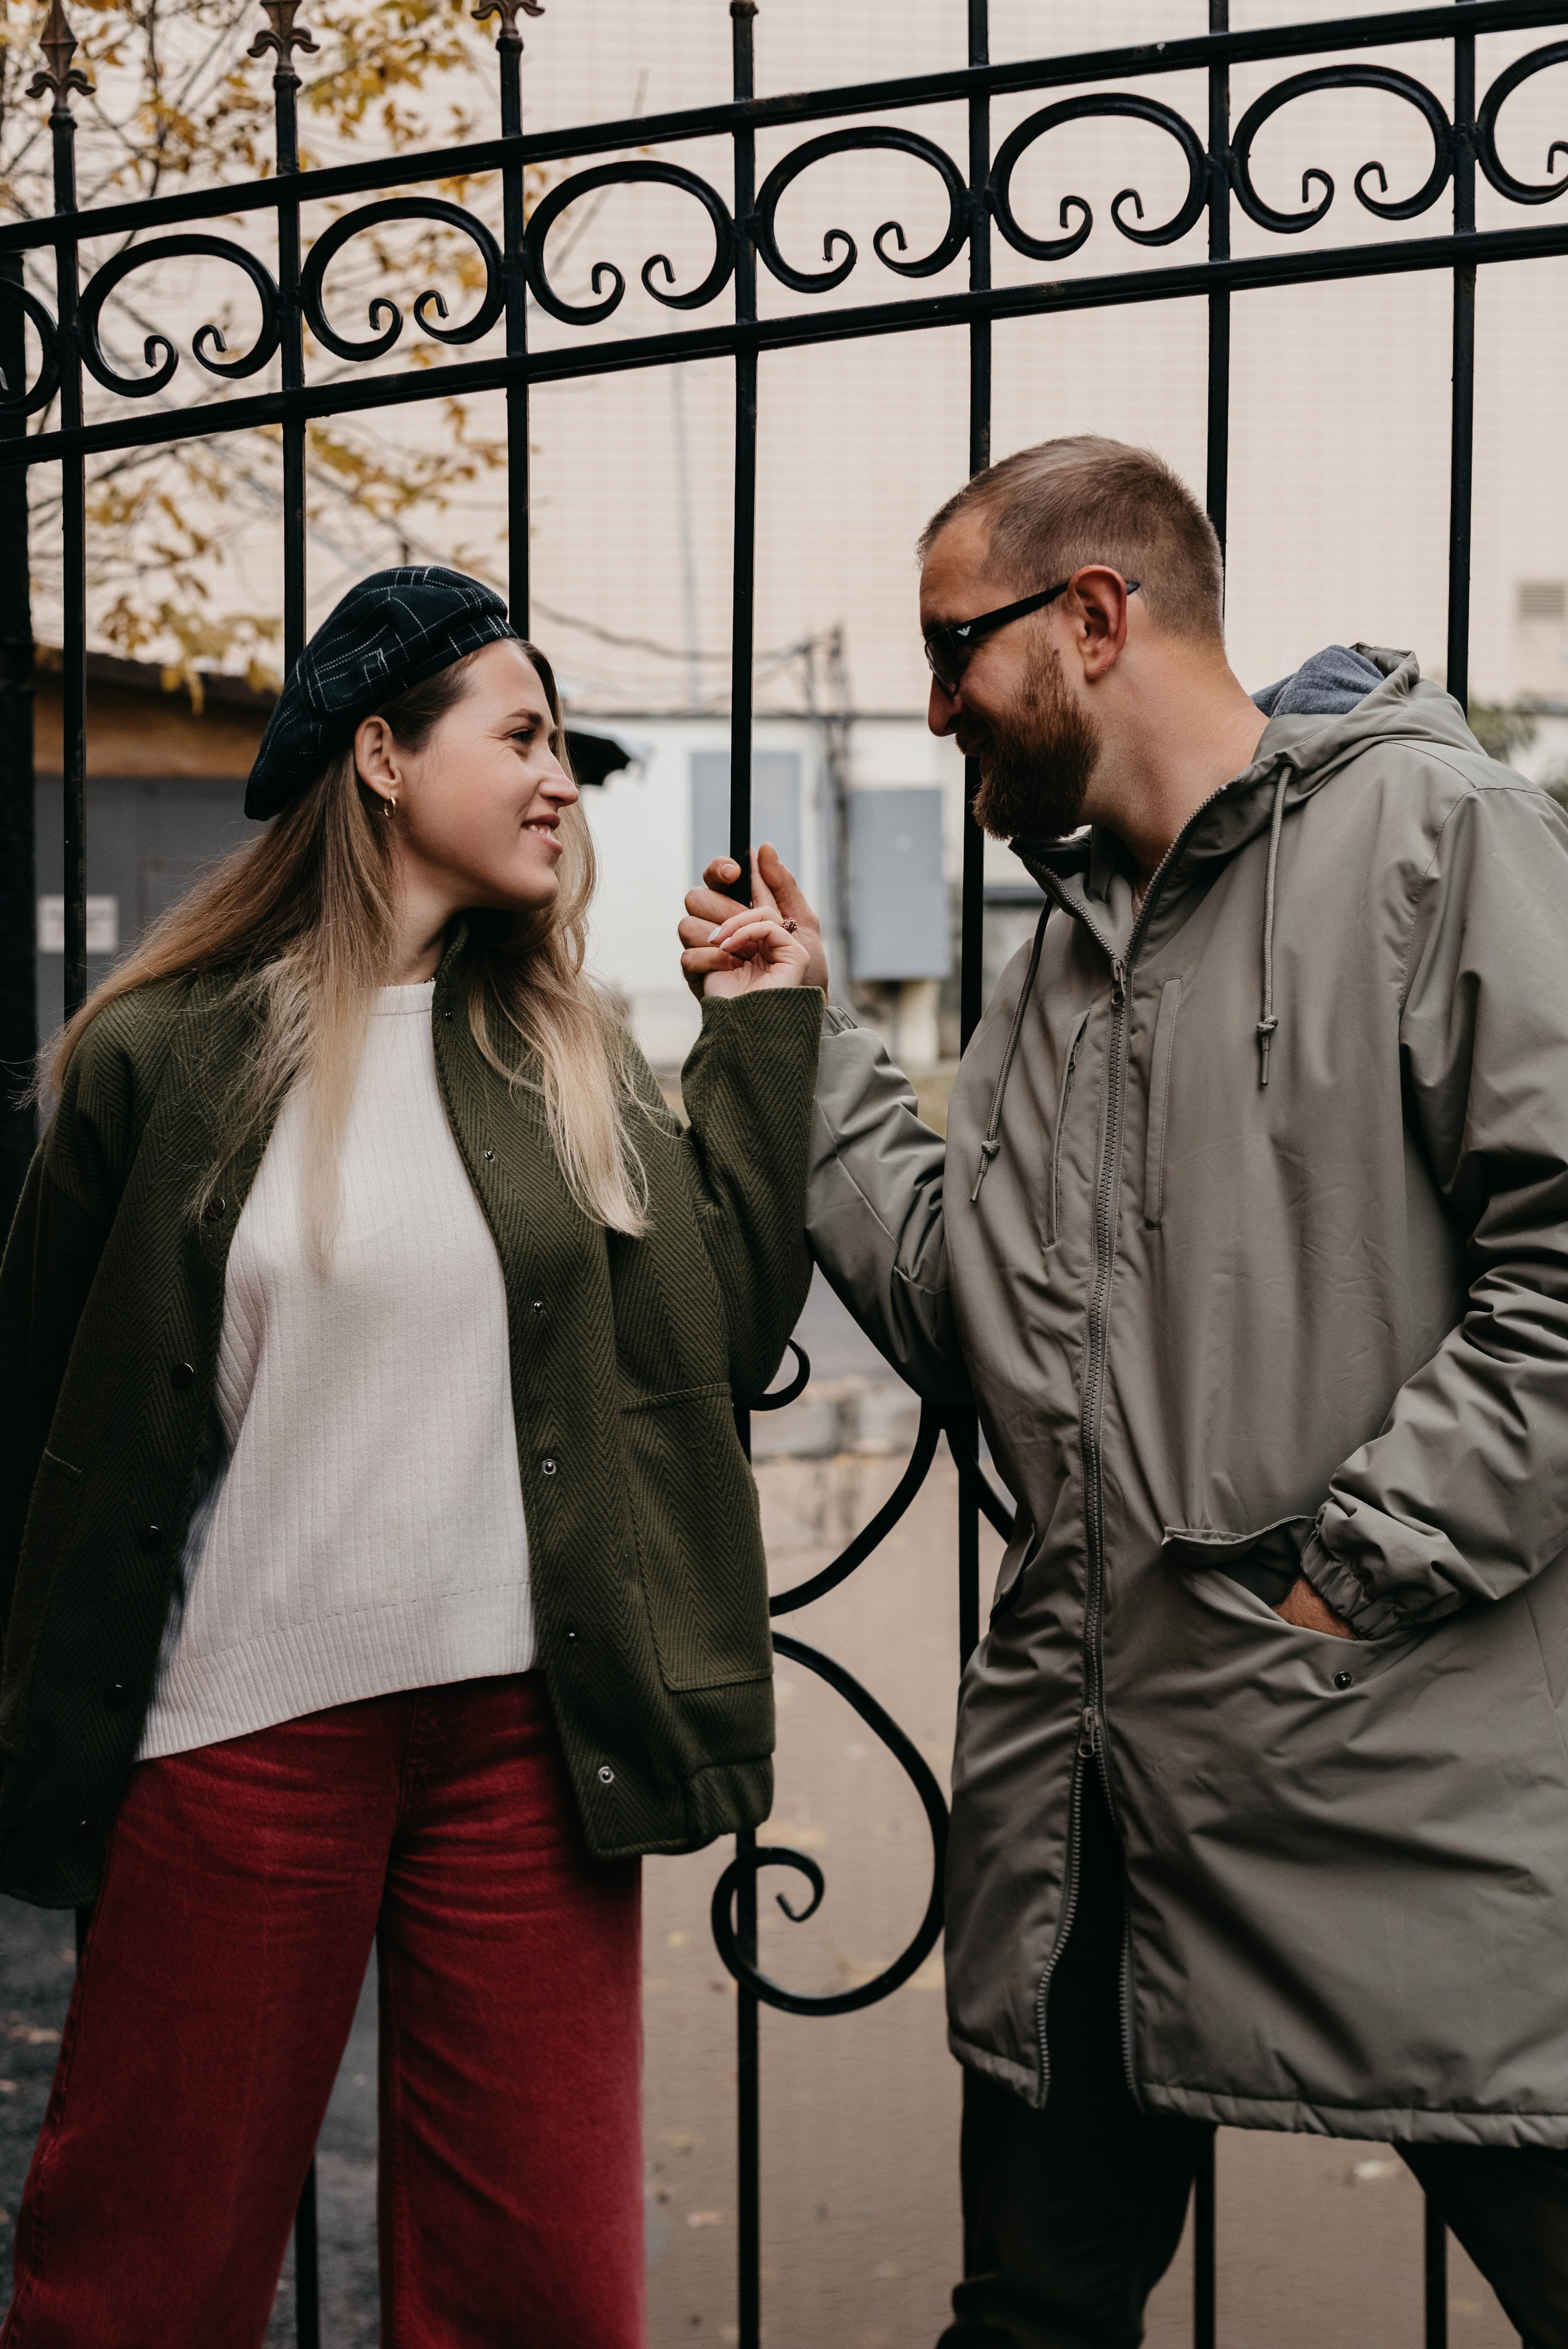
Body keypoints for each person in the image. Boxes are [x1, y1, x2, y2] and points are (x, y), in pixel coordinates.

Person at [682, 439, 1568, 2348]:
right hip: (1087, 1809)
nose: (934, 709)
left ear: (1092, 618)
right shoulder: (1063, 968)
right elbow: (962, 1306)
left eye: (955, 648)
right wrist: (798, 1037)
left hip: (1381, 1764)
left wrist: (1361, 1560)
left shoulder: (1439, 839)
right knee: (1032, 2317)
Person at [0, 566, 820, 2348]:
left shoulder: (572, 1051)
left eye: (564, 754)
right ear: (378, 752)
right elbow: (40, 1424)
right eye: (520, 736)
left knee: (545, 2296)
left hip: (531, 1746)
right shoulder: (159, 1056)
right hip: (237, 1740)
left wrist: (758, 1036)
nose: (558, 782)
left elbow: (719, 1343)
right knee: (136, 2273)